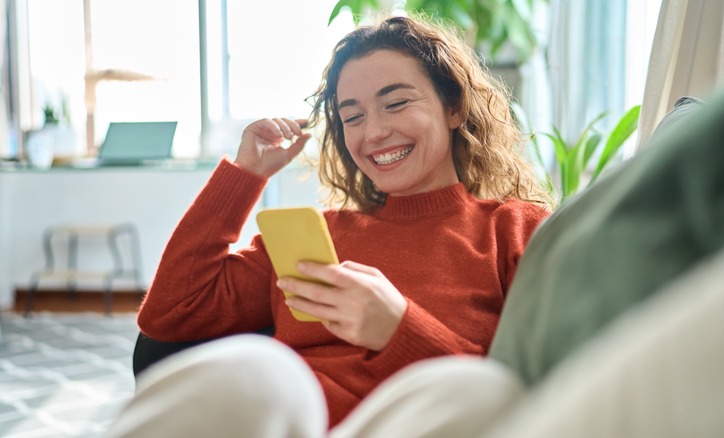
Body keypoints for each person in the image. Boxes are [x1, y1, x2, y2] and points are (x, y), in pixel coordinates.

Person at [108, 14, 551, 436]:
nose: (373, 132)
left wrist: (398, 329)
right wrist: (245, 175)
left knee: (483, 389)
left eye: (395, 103)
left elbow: (529, 393)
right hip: (296, 422)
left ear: (453, 108)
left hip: (421, 424)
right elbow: (168, 316)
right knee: (261, 369)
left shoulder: (516, 231)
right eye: (352, 116)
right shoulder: (317, 238)